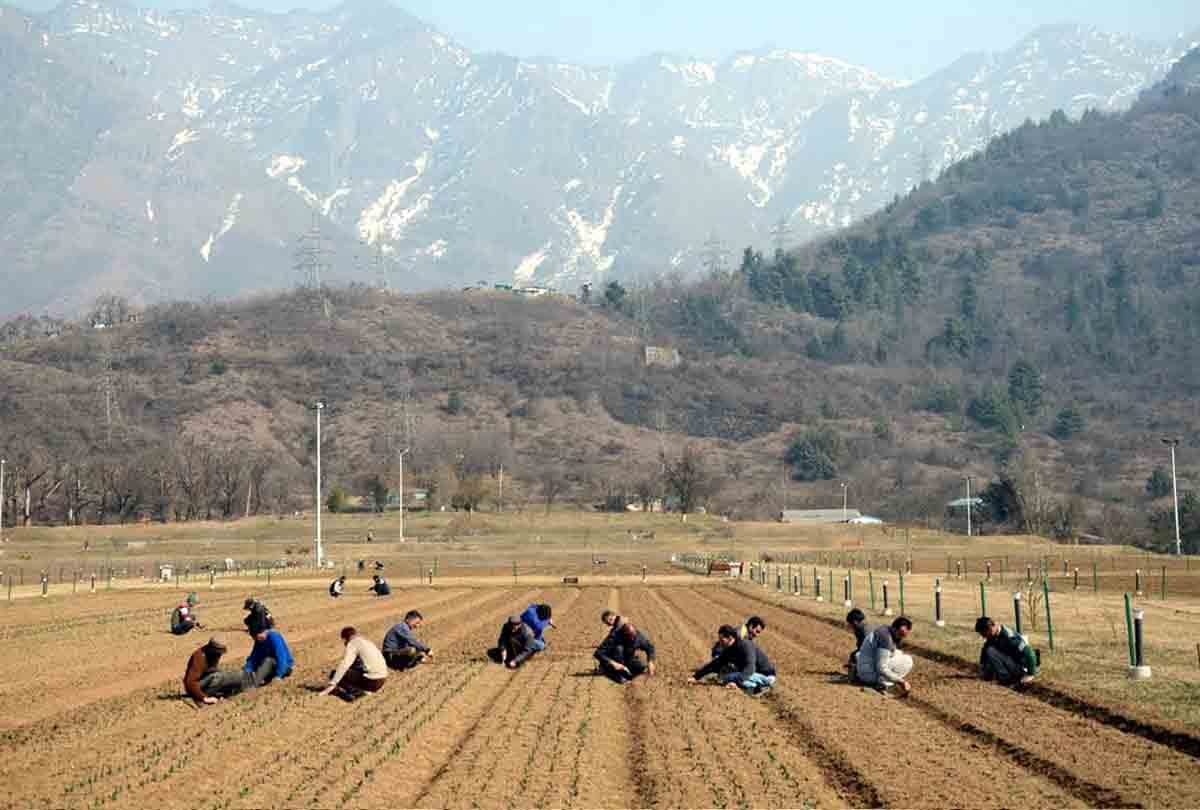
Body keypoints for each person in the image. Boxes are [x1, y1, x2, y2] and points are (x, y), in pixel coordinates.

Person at [692, 624, 777, 695]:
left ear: (730, 638)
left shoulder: (745, 645)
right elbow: (715, 664)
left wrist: (735, 681)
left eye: (722, 640)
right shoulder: (729, 650)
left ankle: (761, 686)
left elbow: (750, 668)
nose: (720, 643)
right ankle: (754, 688)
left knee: (729, 678)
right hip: (754, 674)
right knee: (725, 675)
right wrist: (696, 677)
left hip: (766, 675)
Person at [321, 626, 388, 701]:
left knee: (334, 673)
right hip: (382, 680)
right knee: (352, 670)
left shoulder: (352, 644)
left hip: (371, 682)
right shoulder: (366, 642)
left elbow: (344, 665)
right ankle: (365, 690)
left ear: (344, 639)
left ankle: (358, 692)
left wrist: (332, 684)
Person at [183, 637, 251, 705]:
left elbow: (211, 671)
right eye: (218, 653)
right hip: (196, 687)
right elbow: (190, 682)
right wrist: (204, 698)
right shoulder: (199, 657)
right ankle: (206, 695)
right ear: (212, 649)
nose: (219, 655)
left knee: (230, 675)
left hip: (205, 681)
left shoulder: (212, 655)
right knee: (218, 677)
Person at [856, 616, 914, 696]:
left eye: (904, 635)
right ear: (894, 628)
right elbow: (881, 668)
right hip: (868, 674)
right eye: (901, 633)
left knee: (899, 653)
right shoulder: (886, 638)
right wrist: (901, 681)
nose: (902, 637)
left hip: (864, 669)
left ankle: (882, 680)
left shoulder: (885, 630)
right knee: (908, 661)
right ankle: (885, 684)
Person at [975, 616, 1038, 686]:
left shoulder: (1009, 637)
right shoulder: (994, 635)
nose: (983, 637)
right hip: (1012, 662)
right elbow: (985, 649)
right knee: (989, 651)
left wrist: (1031, 674)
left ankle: (1006, 679)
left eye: (983, 634)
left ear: (990, 629)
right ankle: (998, 675)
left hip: (1020, 667)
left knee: (991, 651)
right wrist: (982, 667)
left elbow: (1029, 652)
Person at [845, 608, 869, 678]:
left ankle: (854, 675)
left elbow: (865, 647)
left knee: (855, 655)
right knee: (854, 655)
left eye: (850, 623)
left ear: (855, 622)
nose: (849, 625)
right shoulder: (859, 628)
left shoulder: (864, 630)